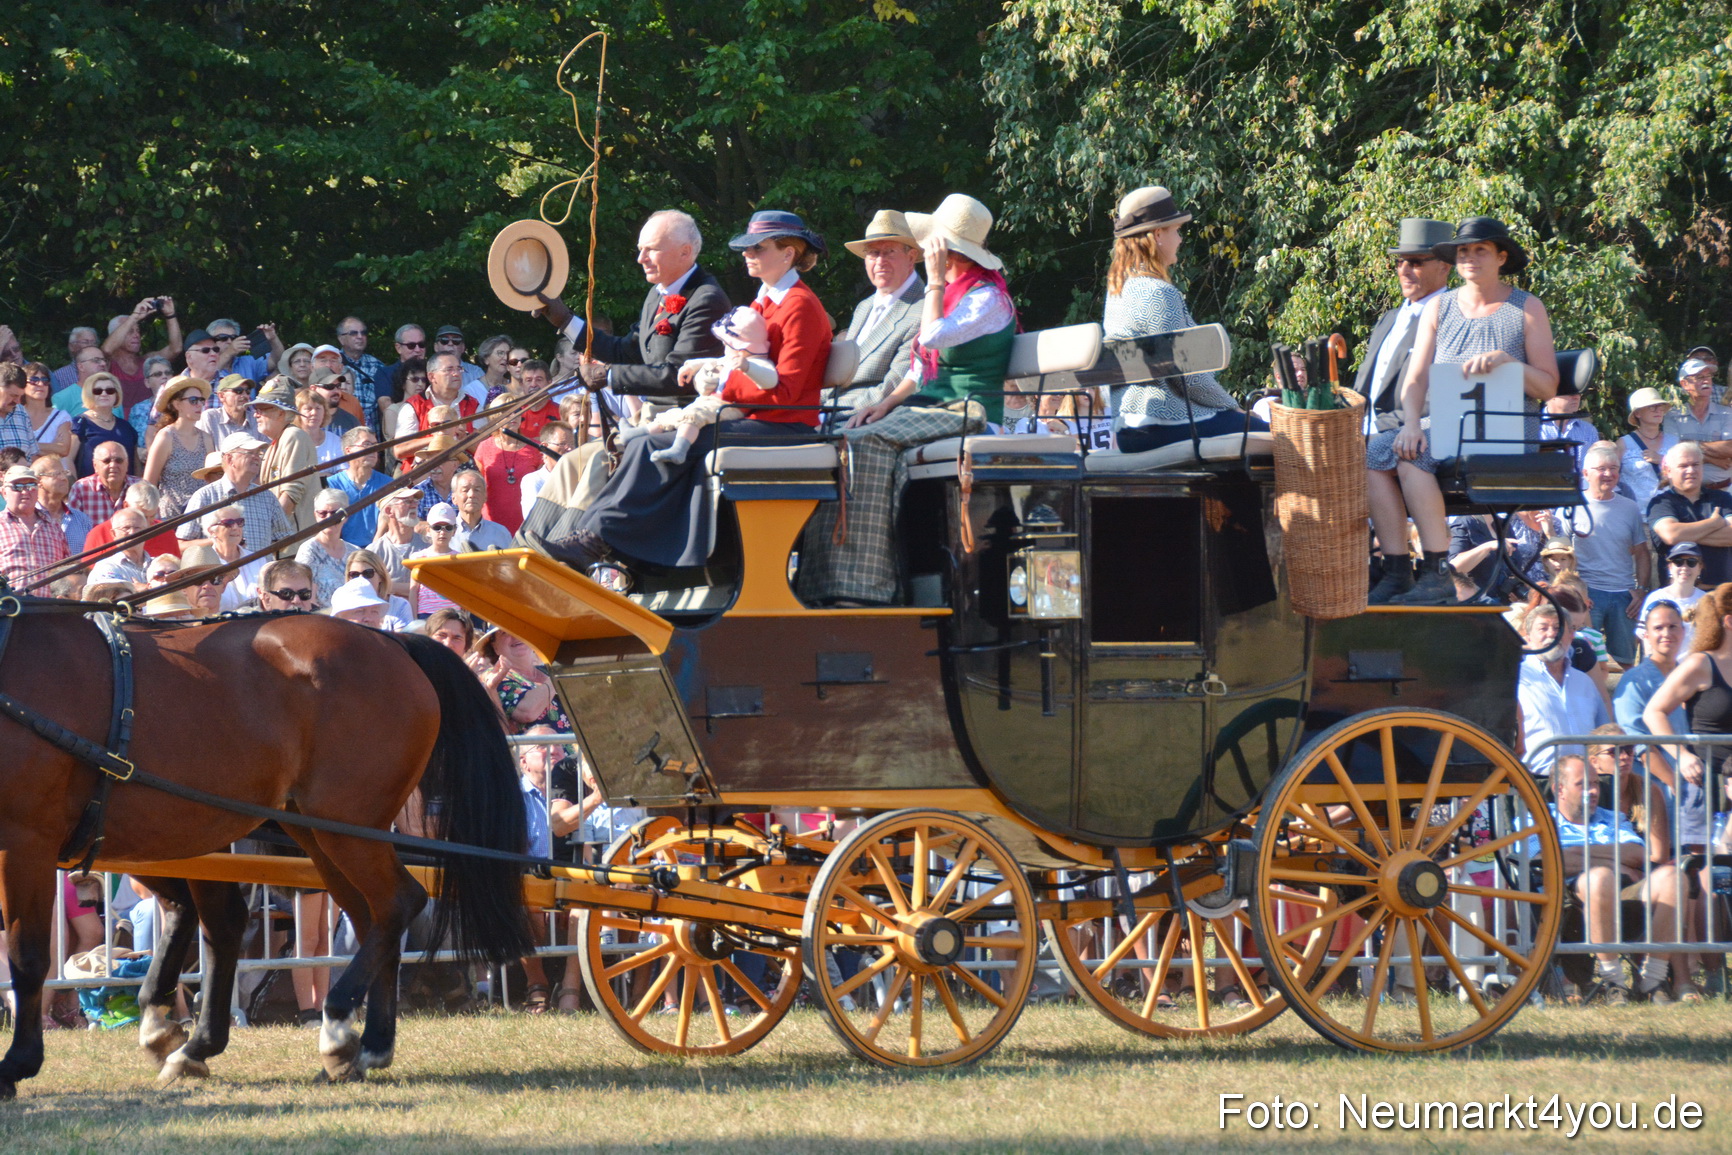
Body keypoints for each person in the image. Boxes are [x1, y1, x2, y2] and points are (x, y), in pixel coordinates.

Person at [557, 209, 833, 575]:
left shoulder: (799, 305)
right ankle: (589, 540)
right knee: (640, 441)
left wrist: (722, 387)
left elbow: (787, 392)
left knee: (649, 444)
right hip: (752, 417)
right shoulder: (764, 302)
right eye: (746, 248)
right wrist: (713, 377)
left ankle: (603, 546)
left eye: (759, 248)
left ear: (789, 253)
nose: (748, 254)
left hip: (784, 426)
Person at [796, 196, 1015, 605]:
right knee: (849, 435)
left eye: (935, 245)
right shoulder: (953, 294)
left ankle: (865, 585)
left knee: (864, 443)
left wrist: (932, 280)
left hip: (972, 410)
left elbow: (931, 337)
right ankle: (824, 579)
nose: (933, 252)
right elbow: (920, 368)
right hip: (932, 406)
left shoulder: (986, 298)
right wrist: (884, 404)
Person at [1366, 216, 1560, 605]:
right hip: (1446, 422)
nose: (1470, 258)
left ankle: (1438, 569)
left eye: (1481, 250)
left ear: (1501, 257)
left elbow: (1548, 386)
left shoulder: (1526, 307)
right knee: (1371, 455)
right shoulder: (1440, 306)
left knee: (1413, 458)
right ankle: (1397, 568)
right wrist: (1409, 423)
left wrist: (1509, 363)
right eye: (1463, 251)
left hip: (1504, 427)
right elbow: (1416, 379)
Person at [522, 210, 731, 523]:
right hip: (652, 417)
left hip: (686, 421)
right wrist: (564, 319)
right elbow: (625, 350)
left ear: (685, 252)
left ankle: (576, 546)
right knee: (569, 464)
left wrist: (608, 376)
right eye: (640, 249)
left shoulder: (707, 298)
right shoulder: (656, 296)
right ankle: (534, 544)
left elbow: (678, 377)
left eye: (651, 249)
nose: (641, 258)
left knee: (596, 463)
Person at [1532, 754, 1679, 1004]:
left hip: (1625, 893)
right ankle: (1615, 982)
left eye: (1596, 784)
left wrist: (1578, 853)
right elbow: (1544, 860)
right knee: (1600, 877)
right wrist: (1613, 861)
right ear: (1560, 789)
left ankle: (1653, 980)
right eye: (1583, 784)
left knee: (1672, 877)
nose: (1592, 791)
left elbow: (1638, 854)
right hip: (1568, 901)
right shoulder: (1537, 818)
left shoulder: (1611, 817)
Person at [635, 306, 778, 466]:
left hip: (730, 406)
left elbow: (770, 380)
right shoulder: (731, 357)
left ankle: (679, 449)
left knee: (694, 416)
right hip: (712, 402)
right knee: (673, 416)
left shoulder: (755, 363)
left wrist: (748, 367)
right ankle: (636, 433)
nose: (725, 348)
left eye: (728, 344)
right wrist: (691, 366)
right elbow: (713, 361)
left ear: (741, 346)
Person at [1354, 218, 1454, 435]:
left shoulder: (1452, 319)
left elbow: (1442, 398)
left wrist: (1378, 427)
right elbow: (1364, 384)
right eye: (1400, 262)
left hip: (1411, 434)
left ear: (1444, 267)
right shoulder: (1388, 319)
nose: (1404, 270)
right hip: (1360, 433)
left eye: (1416, 262)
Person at [825, 209, 926, 421]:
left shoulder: (924, 310)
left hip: (868, 417)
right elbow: (839, 374)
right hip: (831, 411)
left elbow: (894, 386)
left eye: (889, 251)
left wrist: (826, 415)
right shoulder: (865, 306)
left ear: (911, 257)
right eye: (872, 253)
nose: (880, 261)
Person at [1558, 443, 1649, 667]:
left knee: (1626, 662)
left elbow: (1642, 552)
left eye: (1613, 468)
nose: (1608, 474)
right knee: (1582, 659)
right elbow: (1560, 551)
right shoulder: (1571, 505)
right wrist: (1572, 591)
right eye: (1601, 469)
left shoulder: (1630, 507)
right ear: (1586, 473)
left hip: (1624, 596)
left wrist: (1641, 591)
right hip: (1587, 595)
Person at [1516, 598, 1609, 776]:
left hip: (1584, 784)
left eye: (1558, 628)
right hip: (1535, 784)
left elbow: (1603, 731)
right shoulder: (1516, 680)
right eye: (1543, 628)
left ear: (1572, 635)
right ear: (1528, 638)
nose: (1551, 634)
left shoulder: (1585, 683)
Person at [177, 431, 292, 554]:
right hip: (220, 572)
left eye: (258, 453)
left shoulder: (267, 497)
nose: (256, 457)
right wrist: (218, 541)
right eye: (249, 452)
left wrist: (261, 557)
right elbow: (181, 545)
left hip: (258, 572)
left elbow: (284, 538)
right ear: (229, 458)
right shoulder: (205, 496)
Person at [1646, 441, 1732, 587]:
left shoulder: (1722, 498)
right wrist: (1714, 524)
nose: (1691, 470)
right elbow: (1671, 535)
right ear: (1668, 471)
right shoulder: (1661, 503)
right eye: (1683, 466)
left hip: (1719, 595)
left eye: (1696, 464)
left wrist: (1684, 535)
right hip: (1678, 596)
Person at [140, 375, 214, 518]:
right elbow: (148, 484)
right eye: (193, 400)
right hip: (172, 516)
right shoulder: (165, 437)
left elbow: (212, 479)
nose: (199, 404)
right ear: (176, 404)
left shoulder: (206, 438)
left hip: (203, 514)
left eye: (201, 400)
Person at [251, 379, 318, 533]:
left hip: (294, 541)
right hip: (283, 540)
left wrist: (269, 530)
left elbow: (291, 492)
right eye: (255, 409)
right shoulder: (275, 443)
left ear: (281, 412)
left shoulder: (293, 436)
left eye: (262, 409)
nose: (256, 414)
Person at [477, 629, 570, 735]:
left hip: (578, 750)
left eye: (521, 629)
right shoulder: (494, 677)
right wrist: (560, 672)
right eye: (505, 633)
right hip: (538, 751)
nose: (515, 636)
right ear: (494, 646)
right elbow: (527, 711)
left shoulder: (548, 671)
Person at [1663, 354, 1732, 489]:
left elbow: (1730, 448)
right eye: (1700, 377)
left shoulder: (1727, 413)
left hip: (1723, 491)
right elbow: (1675, 452)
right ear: (1684, 384)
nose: (1706, 381)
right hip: (1685, 493)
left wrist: (1690, 444)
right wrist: (1711, 459)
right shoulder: (1672, 416)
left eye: (1708, 376)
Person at [470, 405, 543, 533]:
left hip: (528, 521)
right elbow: (477, 485)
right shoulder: (484, 446)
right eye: (506, 412)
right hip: (492, 520)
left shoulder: (536, 448)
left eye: (516, 411)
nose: (512, 416)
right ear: (496, 418)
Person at [101, 297, 182, 408]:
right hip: (119, 424)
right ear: (115, 334)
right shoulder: (106, 364)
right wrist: (134, 317)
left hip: (148, 423)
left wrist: (170, 314)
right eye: (130, 331)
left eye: (138, 331)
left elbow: (175, 349)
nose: (137, 335)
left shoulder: (147, 361)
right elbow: (107, 349)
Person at [0, 464, 68, 593]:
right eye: (18, 487)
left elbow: (68, 570)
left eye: (31, 486)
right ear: (4, 492)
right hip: (11, 607)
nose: (25, 492)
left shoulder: (54, 527)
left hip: (50, 607)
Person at [327, 427, 393, 547]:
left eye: (375, 444)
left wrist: (373, 549)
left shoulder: (388, 484)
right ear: (348, 450)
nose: (373, 449)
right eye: (366, 444)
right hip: (340, 551)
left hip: (379, 550)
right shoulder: (331, 485)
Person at [69, 371, 140, 477]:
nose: (104, 394)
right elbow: (68, 460)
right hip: (89, 491)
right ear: (89, 394)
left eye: (110, 390)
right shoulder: (79, 424)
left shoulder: (126, 427)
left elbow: (135, 464)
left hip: (125, 490)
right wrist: (75, 488)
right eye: (97, 391)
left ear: (116, 394)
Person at [294, 488, 356, 605]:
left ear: (346, 516)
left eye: (335, 514)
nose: (328, 518)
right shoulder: (308, 551)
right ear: (316, 516)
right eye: (322, 513)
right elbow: (305, 596)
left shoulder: (355, 552)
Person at [1640, 543, 1707, 649]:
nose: (1684, 567)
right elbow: (1646, 638)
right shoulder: (1655, 599)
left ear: (1700, 568)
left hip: (1697, 665)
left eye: (1691, 562)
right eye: (1678, 562)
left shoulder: (1707, 602)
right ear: (1670, 567)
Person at [1619, 386, 1676, 511]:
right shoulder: (1623, 443)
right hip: (1635, 514)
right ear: (1638, 413)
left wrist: (1662, 459)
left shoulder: (1674, 441)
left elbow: (1685, 471)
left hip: (1670, 512)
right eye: (1652, 407)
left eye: (1660, 406)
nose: (1658, 410)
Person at [201, 504, 267, 610]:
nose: (236, 527)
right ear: (212, 531)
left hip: (257, 623)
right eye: (228, 523)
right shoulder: (203, 565)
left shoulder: (258, 561)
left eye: (239, 522)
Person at [68, 440, 140, 527]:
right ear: (95, 465)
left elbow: (154, 525)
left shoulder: (140, 487)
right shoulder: (81, 489)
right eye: (107, 461)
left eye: (119, 460)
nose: (113, 465)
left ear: (127, 464)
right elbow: (73, 529)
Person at [368, 488, 425, 597]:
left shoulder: (428, 546)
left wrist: (388, 586)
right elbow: (370, 589)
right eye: (407, 501)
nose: (414, 505)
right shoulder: (374, 552)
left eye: (415, 501)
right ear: (389, 511)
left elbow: (434, 588)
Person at [408, 503, 462, 616]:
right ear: (428, 529)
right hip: (425, 613)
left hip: (453, 614)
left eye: (448, 528)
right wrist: (413, 619)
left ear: (454, 530)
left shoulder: (460, 559)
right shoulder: (417, 558)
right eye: (437, 528)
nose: (442, 532)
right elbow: (413, 591)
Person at [31, 456, 91, 555]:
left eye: (64, 473)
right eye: (56, 474)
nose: (64, 478)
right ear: (38, 481)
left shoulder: (82, 519)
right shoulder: (28, 519)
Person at [343, 549, 413, 630]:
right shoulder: (342, 606)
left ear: (381, 576)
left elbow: (401, 641)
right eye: (354, 575)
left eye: (368, 573)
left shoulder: (400, 605)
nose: (361, 579)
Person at [334, 316, 384, 429]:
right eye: (353, 333)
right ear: (341, 339)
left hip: (372, 437)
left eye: (363, 333)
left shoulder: (378, 366)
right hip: (340, 431)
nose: (360, 337)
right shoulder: (333, 364)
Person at [449, 470, 513, 552]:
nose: (471, 495)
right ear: (454, 498)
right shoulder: (444, 532)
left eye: (477, 490)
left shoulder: (500, 532)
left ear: (485, 496)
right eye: (465, 490)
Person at [87, 508, 152, 588]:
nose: (132, 532)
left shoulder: (161, 563)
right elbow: (111, 595)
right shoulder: (106, 567)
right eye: (126, 528)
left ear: (146, 532)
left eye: (137, 528)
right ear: (114, 534)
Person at [20, 362, 73, 459]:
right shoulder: (15, 414)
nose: (40, 384)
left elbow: (63, 449)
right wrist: (51, 447)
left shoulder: (60, 416)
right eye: (34, 380)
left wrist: (25, 445)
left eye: (45, 380)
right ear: (23, 384)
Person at [520, 421, 574, 511]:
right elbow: (534, 520)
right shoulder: (533, 481)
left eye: (572, 444)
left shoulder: (580, 478)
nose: (569, 448)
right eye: (563, 444)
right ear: (545, 446)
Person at [126, 355, 177, 446]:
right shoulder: (138, 409)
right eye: (158, 374)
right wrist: (139, 452)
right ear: (147, 382)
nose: (164, 376)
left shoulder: (183, 404)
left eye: (168, 373)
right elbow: (131, 442)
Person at [198, 374, 260, 445]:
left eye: (248, 391)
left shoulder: (257, 419)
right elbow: (202, 451)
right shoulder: (210, 418)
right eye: (238, 391)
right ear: (221, 396)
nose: (245, 395)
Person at [295, 387, 345, 472]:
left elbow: (343, 474)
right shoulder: (292, 440)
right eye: (308, 409)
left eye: (318, 408)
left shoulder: (335, 441)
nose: (314, 413)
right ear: (298, 412)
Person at [51, 343, 110, 414]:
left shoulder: (111, 394)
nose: (103, 363)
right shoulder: (62, 398)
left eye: (104, 360)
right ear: (81, 367)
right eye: (96, 360)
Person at [49, 326, 99, 393]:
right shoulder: (58, 376)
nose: (91, 345)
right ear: (72, 346)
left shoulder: (104, 370)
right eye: (85, 342)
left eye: (93, 342)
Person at [0, 364, 34, 454]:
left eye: (20, 396)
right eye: (13, 395)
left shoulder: (21, 412)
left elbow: (32, 455)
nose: (18, 401)